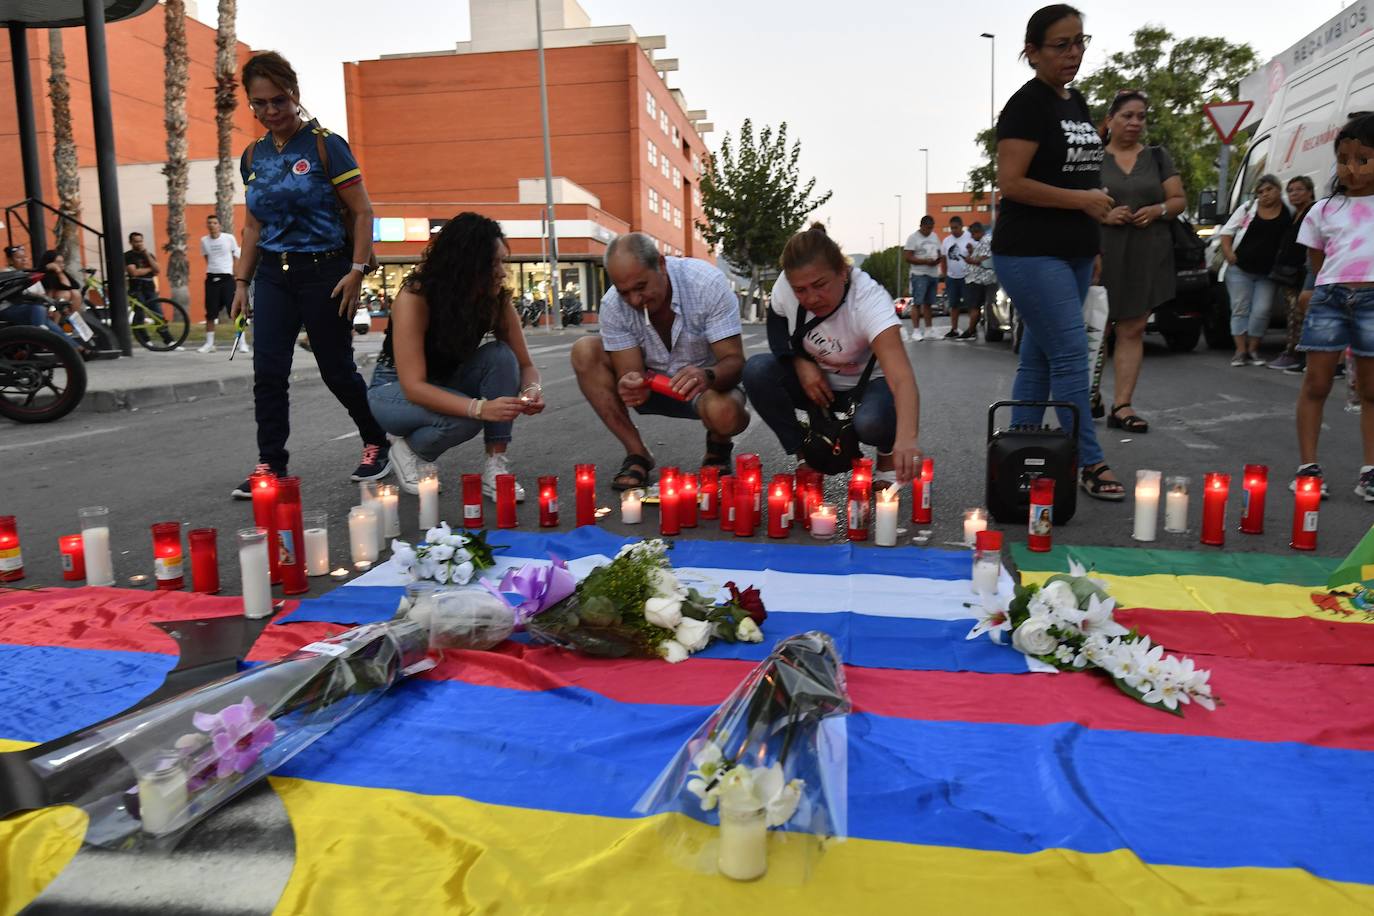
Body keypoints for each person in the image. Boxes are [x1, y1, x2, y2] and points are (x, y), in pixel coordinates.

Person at [229, 50, 391, 499]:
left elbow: (362, 212)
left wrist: (356, 270)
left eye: (277, 101)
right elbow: (253, 225)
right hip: (273, 276)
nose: (269, 112)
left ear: (295, 95)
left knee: (336, 369)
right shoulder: (253, 156)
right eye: (258, 104)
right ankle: (271, 464)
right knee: (268, 372)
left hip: (327, 272)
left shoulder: (326, 144)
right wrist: (242, 282)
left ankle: (376, 441)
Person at [993, 3, 1123, 500]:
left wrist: (1094, 235)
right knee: (1071, 356)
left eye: (1080, 42)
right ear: (1031, 52)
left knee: (1040, 359)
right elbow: (1012, 183)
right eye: (1060, 45)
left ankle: (1015, 457)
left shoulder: (1077, 101)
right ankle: (1089, 462)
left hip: (1072, 250)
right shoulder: (1026, 105)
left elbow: (1080, 175)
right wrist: (1083, 201)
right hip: (1029, 252)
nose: (1073, 54)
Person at [368, 213, 544, 497]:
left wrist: (531, 390)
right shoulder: (415, 297)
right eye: (492, 264)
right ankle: (407, 449)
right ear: (465, 265)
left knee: (501, 355)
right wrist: (479, 407)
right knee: (466, 417)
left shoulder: (496, 300)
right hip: (393, 392)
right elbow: (414, 386)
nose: (501, 271)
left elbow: (526, 366)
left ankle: (496, 467)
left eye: (502, 261)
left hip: (445, 383)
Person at [743, 223, 922, 487]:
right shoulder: (787, 285)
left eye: (820, 285)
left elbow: (902, 379)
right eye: (801, 290)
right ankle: (804, 454)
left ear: (843, 272)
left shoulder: (869, 300)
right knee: (757, 371)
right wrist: (800, 361)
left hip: (868, 386)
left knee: (873, 422)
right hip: (817, 386)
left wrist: (906, 439)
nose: (811, 298)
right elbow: (777, 326)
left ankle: (886, 455)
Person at [570, 233, 750, 490]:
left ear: (661, 264)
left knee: (726, 415)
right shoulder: (613, 305)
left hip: (707, 387)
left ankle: (718, 445)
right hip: (654, 383)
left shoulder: (705, 283)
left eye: (641, 287)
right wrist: (631, 384)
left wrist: (706, 375)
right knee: (584, 350)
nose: (634, 300)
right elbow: (630, 372)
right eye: (624, 292)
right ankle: (637, 453)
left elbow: (734, 362)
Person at [1094, 89, 1187, 433]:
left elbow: (1178, 199)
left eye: (1141, 116)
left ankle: (1122, 406)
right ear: (1110, 120)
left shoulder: (1158, 157)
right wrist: (1103, 216)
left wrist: (1157, 209)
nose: (1135, 122)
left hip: (1148, 251)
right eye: (1127, 116)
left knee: (1132, 328)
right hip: (1102, 253)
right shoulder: (1092, 159)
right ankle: (1090, 394)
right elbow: (1077, 203)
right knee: (1098, 327)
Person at [1293, 113, 1374, 501]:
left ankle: (1370, 470)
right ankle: (1308, 467)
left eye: (1363, 159)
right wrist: (1322, 291)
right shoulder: (1323, 209)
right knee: (1317, 383)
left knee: (1372, 390)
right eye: (1343, 159)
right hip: (1331, 299)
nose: (1351, 168)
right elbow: (1316, 261)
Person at [1217, 174, 1291, 367]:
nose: (1264, 195)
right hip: (1240, 269)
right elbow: (1226, 232)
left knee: (1262, 310)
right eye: (1260, 191)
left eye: (1269, 190)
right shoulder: (1248, 209)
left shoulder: (1288, 211)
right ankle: (1240, 351)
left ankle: (1253, 350)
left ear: (1278, 189)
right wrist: (1228, 253)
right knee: (1240, 308)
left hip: (1268, 272)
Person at [1267, 175, 1317, 372]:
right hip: (1289, 274)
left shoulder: (1313, 211)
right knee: (1293, 315)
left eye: (1299, 189)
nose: (1294, 194)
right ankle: (1295, 352)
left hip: (1303, 272)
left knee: (1300, 314)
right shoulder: (1295, 213)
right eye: (1291, 190)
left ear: (1310, 191)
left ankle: (1296, 354)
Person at [198, 214, 244, 354]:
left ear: (219, 225)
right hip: (212, 280)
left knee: (235, 311)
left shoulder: (228, 238)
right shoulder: (204, 241)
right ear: (207, 225)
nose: (212, 225)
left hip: (227, 279)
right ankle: (209, 344)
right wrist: (214, 270)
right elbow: (207, 258)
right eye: (209, 223)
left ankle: (241, 343)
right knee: (210, 313)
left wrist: (235, 273)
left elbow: (236, 255)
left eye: (215, 223)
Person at [124, 232, 176, 348]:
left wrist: (146, 254)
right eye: (136, 241)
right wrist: (149, 269)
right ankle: (145, 340)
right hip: (136, 289)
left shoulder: (148, 254)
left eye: (140, 241)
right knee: (140, 315)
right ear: (131, 242)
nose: (139, 243)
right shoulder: (128, 256)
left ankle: (169, 340)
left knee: (158, 314)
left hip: (149, 288)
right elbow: (134, 273)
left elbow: (157, 270)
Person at [902, 216, 942, 340]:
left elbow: (939, 252)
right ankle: (916, 331)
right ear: (921, 226)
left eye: (931, 228)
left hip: (933, 273)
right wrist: (924, 261)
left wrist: (937, 260)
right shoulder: (913, 238)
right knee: (917, 302)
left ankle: (929, 330)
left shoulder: (934, 237)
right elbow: (908, 257)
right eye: (927, 228)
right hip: (919, 274)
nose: (929, 231)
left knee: (929, 303)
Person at [941, 216, 975, 338]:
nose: (953, 230)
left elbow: (975, 254)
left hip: (967, 276)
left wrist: (971, 251)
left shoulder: (969, 237)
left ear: (961, 226)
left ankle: (972, 329)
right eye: (951, 228)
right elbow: (943, 259)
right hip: (952, 277)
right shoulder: (946, 241)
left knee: (970, 304)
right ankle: (954, 329)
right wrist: (945, 275)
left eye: (955, 228)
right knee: (953, 304)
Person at [964, 222, 997, 340]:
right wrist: (971, 252)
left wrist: (970, 260)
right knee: (977, 306)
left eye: (972, 235)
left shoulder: (986, 240)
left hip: (981, 279)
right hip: (981, 278)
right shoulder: (984, 241)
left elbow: (985, 259)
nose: (972, 237)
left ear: (977, 232)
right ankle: (972, 329)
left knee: (975, 306)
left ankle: (971, 330)